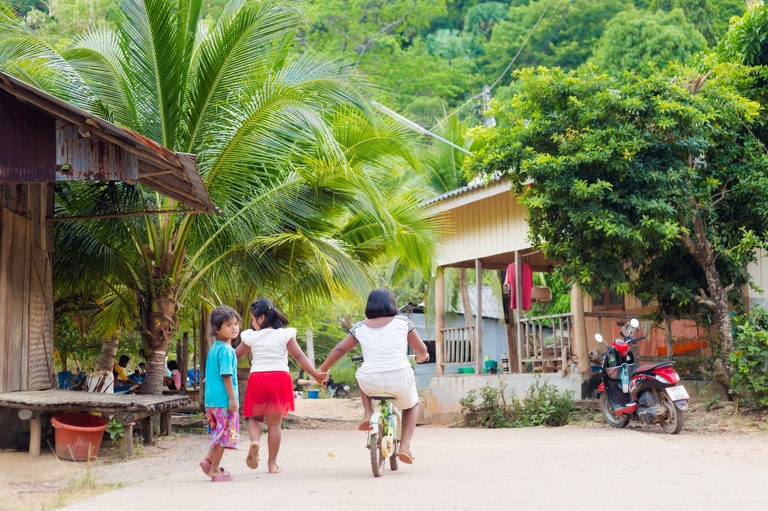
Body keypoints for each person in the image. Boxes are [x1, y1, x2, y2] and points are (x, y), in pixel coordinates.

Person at [318, 288, 429, 465]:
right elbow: (421, 349)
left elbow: (340, 349)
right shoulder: (403, 322)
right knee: (412, 404)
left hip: (371, 381)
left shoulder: (359, 327)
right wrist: (423, 356)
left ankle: (368, 412)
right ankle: (405, 446)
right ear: (391, 304)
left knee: (362, 372)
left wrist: (322, 369)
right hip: (399, 378)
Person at [235, 298, 328, 474]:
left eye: (253, 319)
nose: (252, 323)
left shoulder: (251, 336)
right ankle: (272, 464)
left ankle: (255, 442)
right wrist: (315, 374)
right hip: (280, 378)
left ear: (261, 318)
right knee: (274, 425)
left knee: (255, 419)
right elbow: (299, 357)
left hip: (258, 378)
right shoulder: (285, 335)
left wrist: (216, 367)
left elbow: (234, 357)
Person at [199, 305, 241, 482]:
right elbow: (226, 376)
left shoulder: (214, 348)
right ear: (217, 329)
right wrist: (232, 398)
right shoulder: (226, 350)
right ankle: (215, 469)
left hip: (212, 401)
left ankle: (209, 460)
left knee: (218, 432)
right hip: (224, 400)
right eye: (228, 325)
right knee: (224, 436)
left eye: (236, 324)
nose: (234, 328)